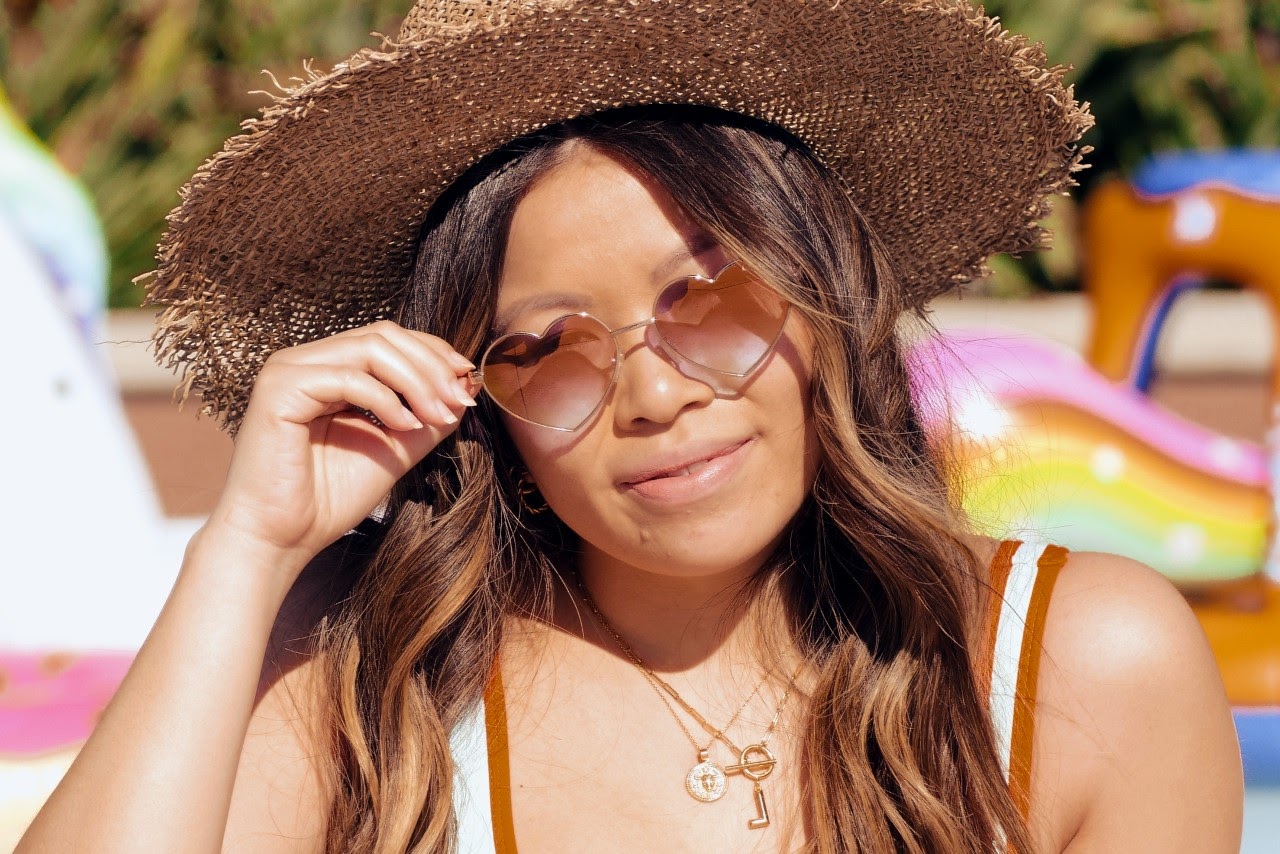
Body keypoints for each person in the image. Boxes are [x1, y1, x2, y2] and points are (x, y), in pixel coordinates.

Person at [18, 1, 1243, 852]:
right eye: (545, 347)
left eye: (704, 297)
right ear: (472, 399)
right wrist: (245, 550)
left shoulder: (1076, 665)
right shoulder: (368, 680)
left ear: (822, 295)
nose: (652, 395)